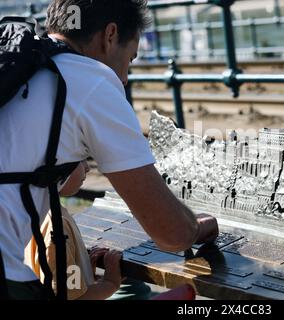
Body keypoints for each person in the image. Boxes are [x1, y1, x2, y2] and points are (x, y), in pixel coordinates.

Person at [0, 0, 218, 300]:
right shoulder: (90, 80)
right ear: (110, 35)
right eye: (130, 59)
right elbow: (171, 234)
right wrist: (197, 228)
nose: (125, 78)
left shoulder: (19, 67)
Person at [25, 160, 123, 300]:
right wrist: (111, 282)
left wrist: (82, 267)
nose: (87, 167)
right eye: (80, 159)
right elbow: (74, 297)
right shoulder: (57, 227)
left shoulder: (31, 211)